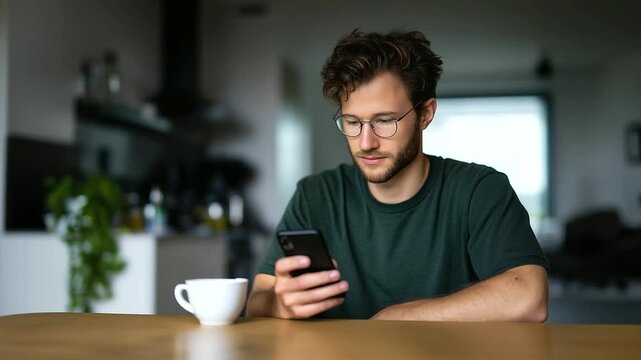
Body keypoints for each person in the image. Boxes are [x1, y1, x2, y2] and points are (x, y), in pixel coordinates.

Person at [247, 29, 549, 321]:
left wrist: (399, 316)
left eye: (385, 121)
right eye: (352, 122)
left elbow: (529, 296)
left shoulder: (479, 190)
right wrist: (279, 304)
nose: (366, 143)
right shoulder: (315, 195)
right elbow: (259, 296)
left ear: (425, 114)